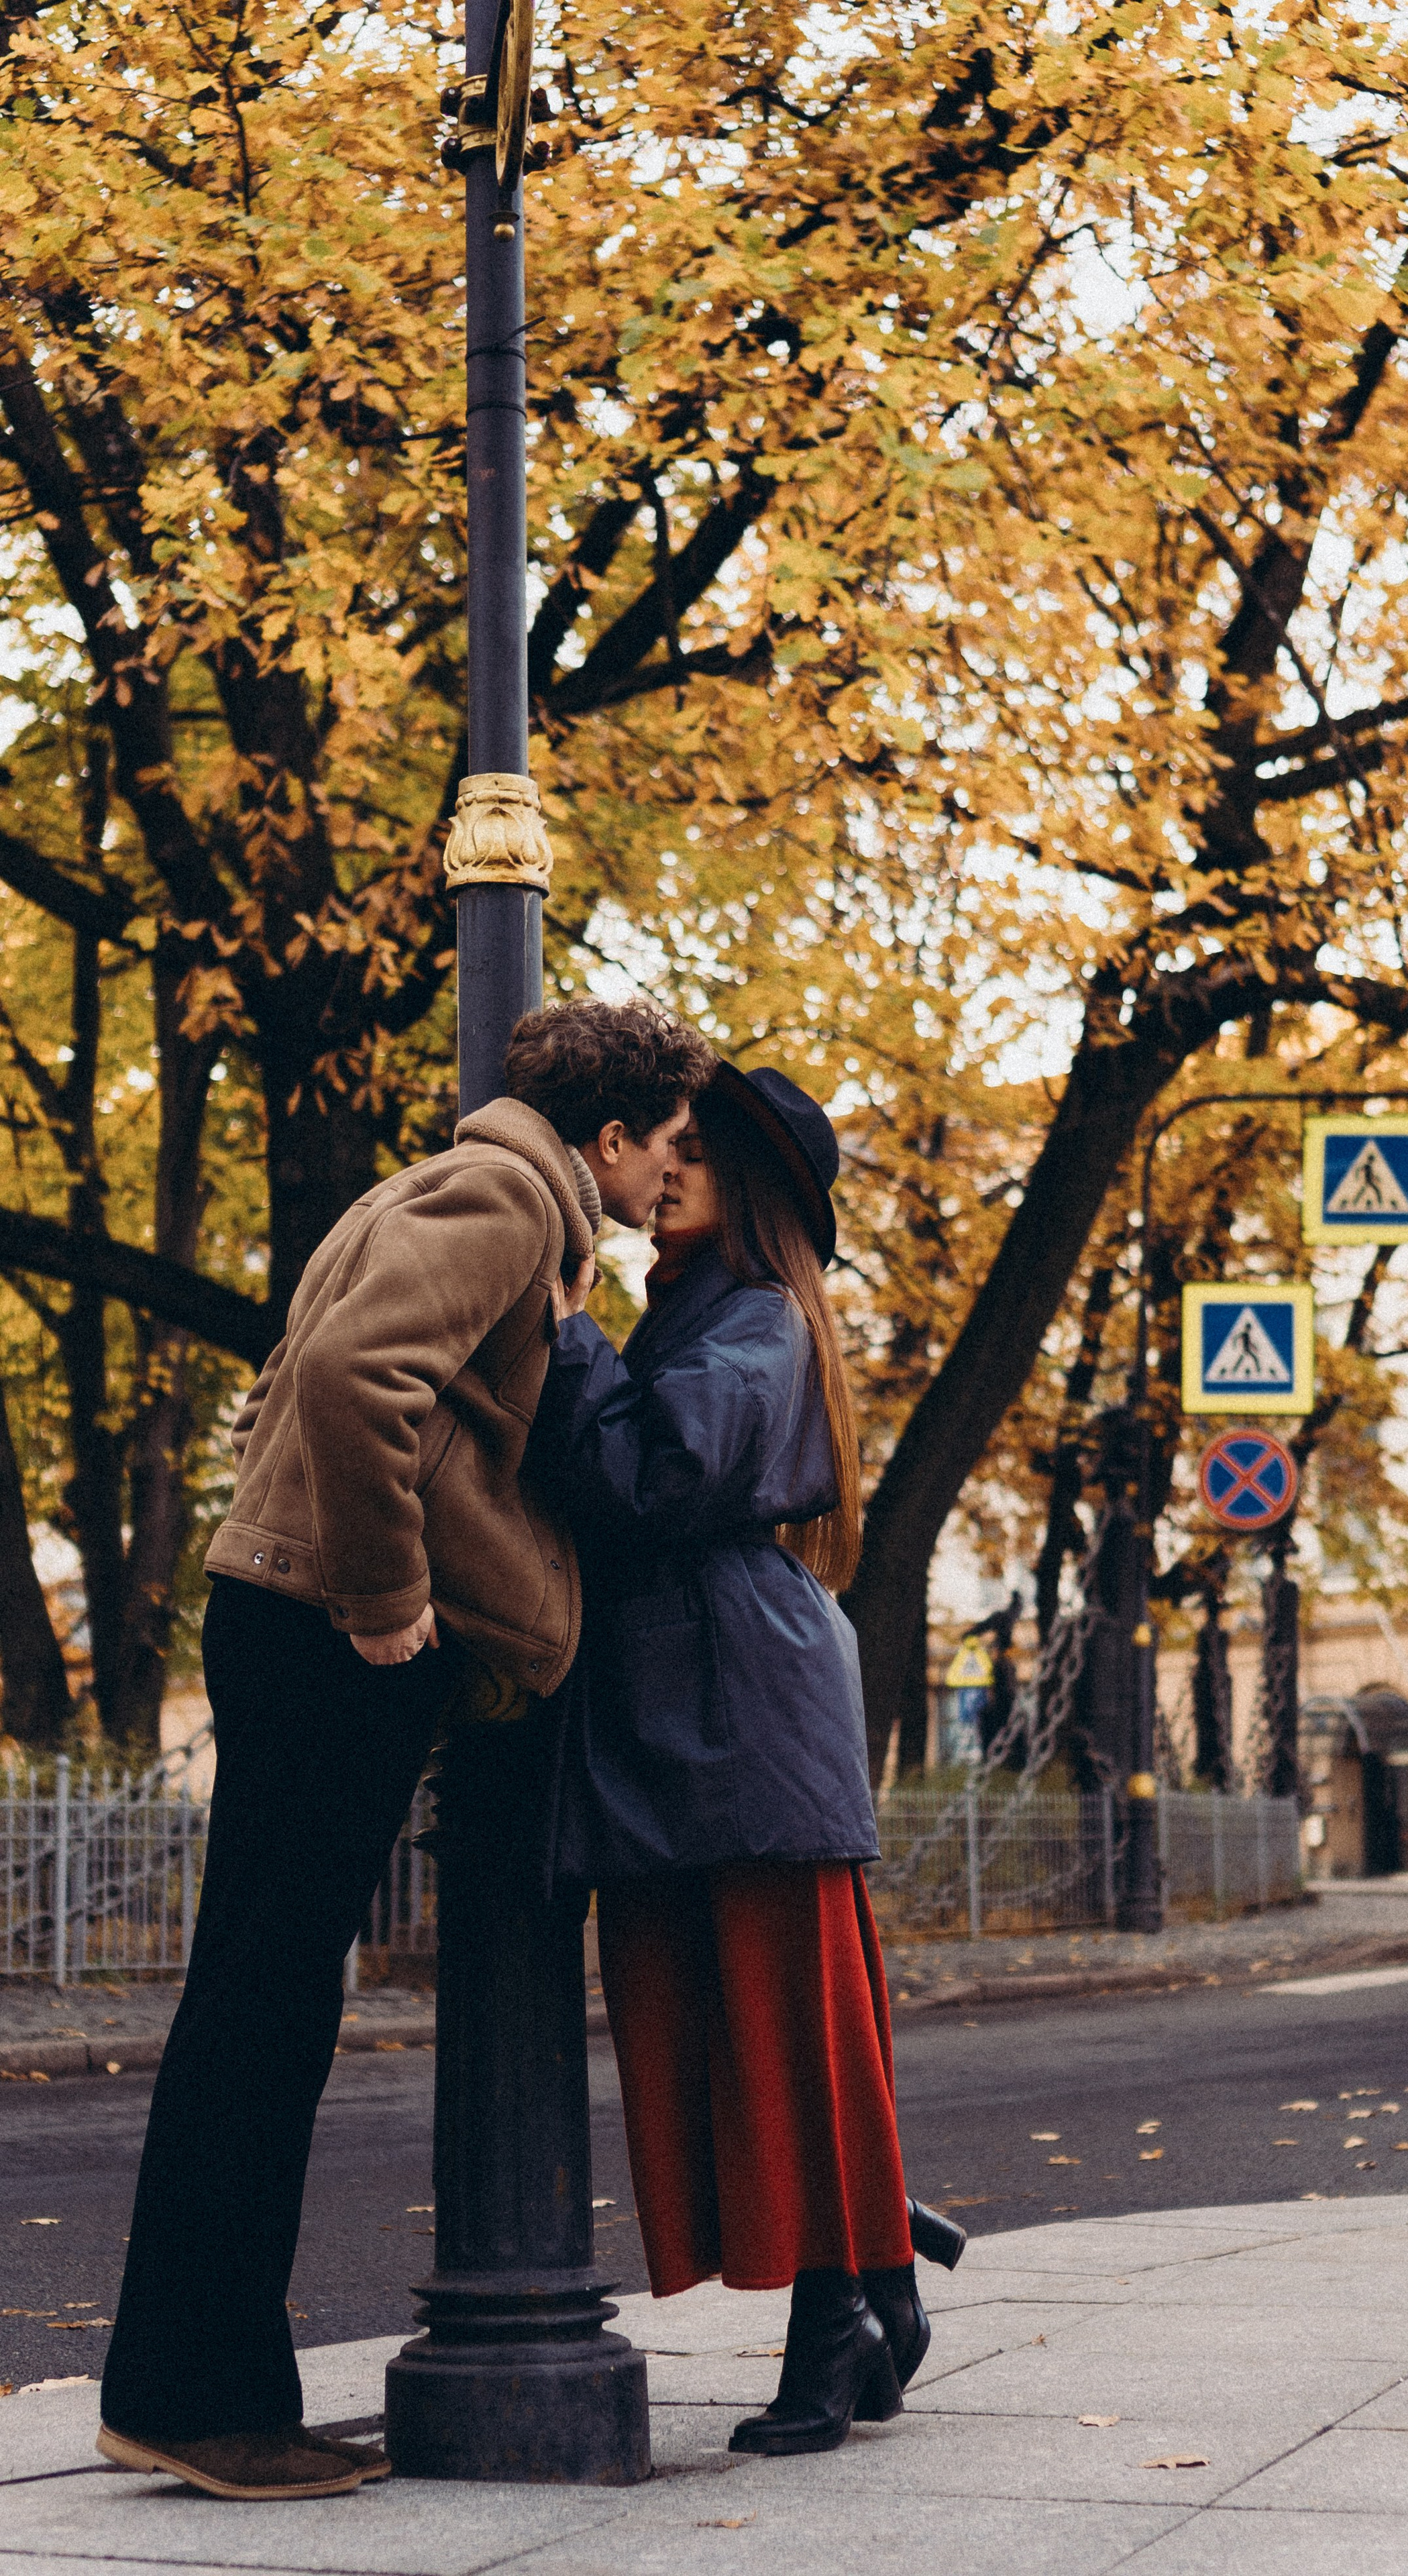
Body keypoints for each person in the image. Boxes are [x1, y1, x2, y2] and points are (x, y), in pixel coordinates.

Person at [97, 998, 714, 2502]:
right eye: (666, 1149)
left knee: (258, 2001)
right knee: (263, 2012)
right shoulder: (508, 1194)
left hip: (288, 1613)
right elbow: (350, 1379)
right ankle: (199, 2398)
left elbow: (325, 1375)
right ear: (612, 1134)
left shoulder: (447, 1187)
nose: (666, 1180)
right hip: (326, 1630)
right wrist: (384, 1606)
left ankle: (184, 2384)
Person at [529, 1062, 965, 2461]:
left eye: (692, 1162)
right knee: (703, 2029)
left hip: (743, 1711)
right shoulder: (693, 1317)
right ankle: (877, 2269)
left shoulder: (761, 1320)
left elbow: (648, 1478)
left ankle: (837, 2323)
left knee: (788, 2029)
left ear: (749, 1192)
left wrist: (568, 1334)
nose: (663, 1178)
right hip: (681, 1707)